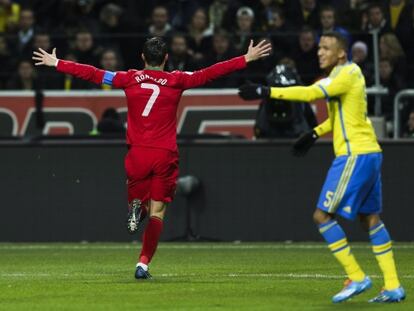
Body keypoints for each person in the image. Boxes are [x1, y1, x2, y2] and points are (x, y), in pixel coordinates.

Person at [33, 36, 271, 279]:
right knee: (157, 212)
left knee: (140, 205)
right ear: (166, 59)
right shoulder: (177, 79)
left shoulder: (128, 78)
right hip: (164, 153)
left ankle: (136, 210)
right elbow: (209, 73)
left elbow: (94, 74)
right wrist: (245, 58)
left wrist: (57, 62)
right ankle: (143, 264)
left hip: (137, 153)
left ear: (143, 58)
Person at [238, 31, 405, 303]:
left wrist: (265, 91)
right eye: (319, 48)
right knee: (370, 219)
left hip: (354, 155)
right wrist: (315, 133)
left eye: (326, 48)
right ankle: (393, 285)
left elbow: (310, 93)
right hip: (370, 152)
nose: (319, 52)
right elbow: (344, 117)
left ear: (341, 53)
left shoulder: (347, 74)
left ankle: (356, 276)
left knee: (321, 216)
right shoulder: (345, 75)